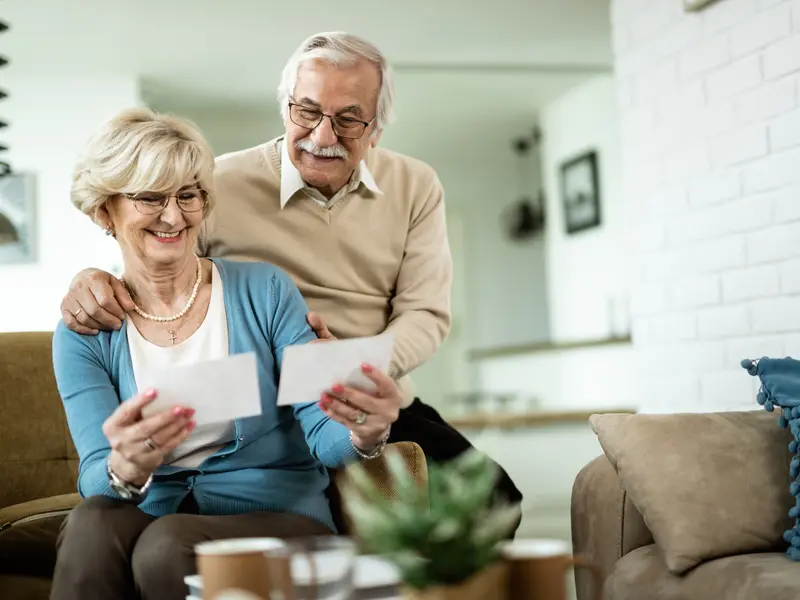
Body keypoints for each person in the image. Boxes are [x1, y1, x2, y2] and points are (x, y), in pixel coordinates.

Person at [59, 31, 523, 527]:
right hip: (259, 408)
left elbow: (425, 315)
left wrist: (346, 367)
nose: (323, 136)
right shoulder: (219, 182)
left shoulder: (415, 186)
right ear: (285, 108)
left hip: (359, 389)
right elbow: (162, 259)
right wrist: (92, 278)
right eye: (307, 111)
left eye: (349, 119)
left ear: (376, 129)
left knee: (496, 502)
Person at [50, 107, 404, 600]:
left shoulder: (266, 290)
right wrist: (125, 467)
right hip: (154, 513)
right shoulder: (84, 333)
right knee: (92, 522)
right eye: (151, 198)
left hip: (282, 517)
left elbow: (325, 434)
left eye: (188, 195)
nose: (173, 217)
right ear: (104, 212)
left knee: (165, 544)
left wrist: (365, 430)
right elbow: (97, 477)